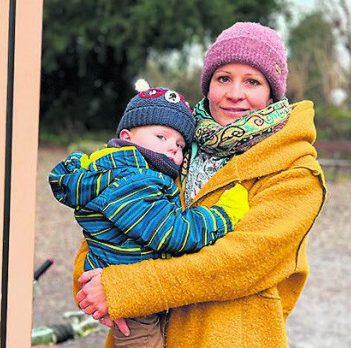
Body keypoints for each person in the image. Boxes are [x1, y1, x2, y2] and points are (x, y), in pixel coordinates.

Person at [73, 22, 327, 347]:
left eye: (252, 81)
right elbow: (105, 215)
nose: (235, 93)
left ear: (272, 92)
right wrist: (90, 286)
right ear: (208, 84)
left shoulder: (296, 171)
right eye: (224, 78)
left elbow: (241, 263)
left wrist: (127, 288)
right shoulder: (172, 142)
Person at [48, 84, 250, 347]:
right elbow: (173, 232)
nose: (173, 148)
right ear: (127, 137)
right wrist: (225, 214)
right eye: (161, 137)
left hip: (128, 287)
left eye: (180, 144)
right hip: (134, 304)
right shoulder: (134, 181)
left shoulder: (114, 172)